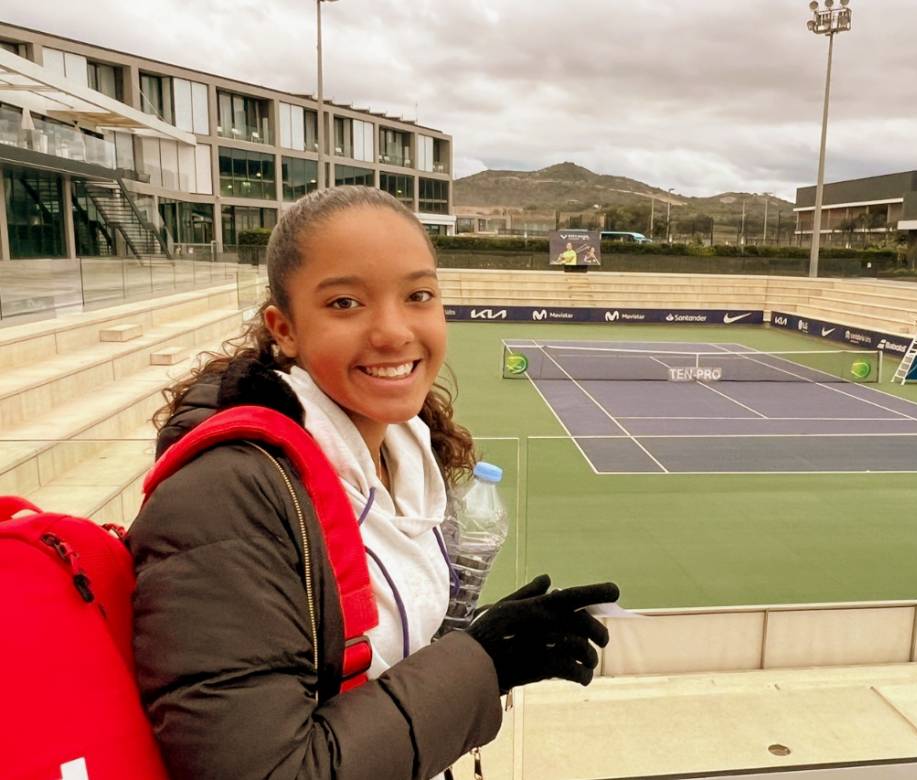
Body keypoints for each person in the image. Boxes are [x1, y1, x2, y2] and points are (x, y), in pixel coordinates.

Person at [129, 186, 619, 779]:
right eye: (344, 303)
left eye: (418, 295)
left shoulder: (406, 455)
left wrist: (483, 640)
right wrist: (482, 662)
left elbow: (370, 664)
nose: (392, 331)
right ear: (284, 329)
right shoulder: (227, 497)